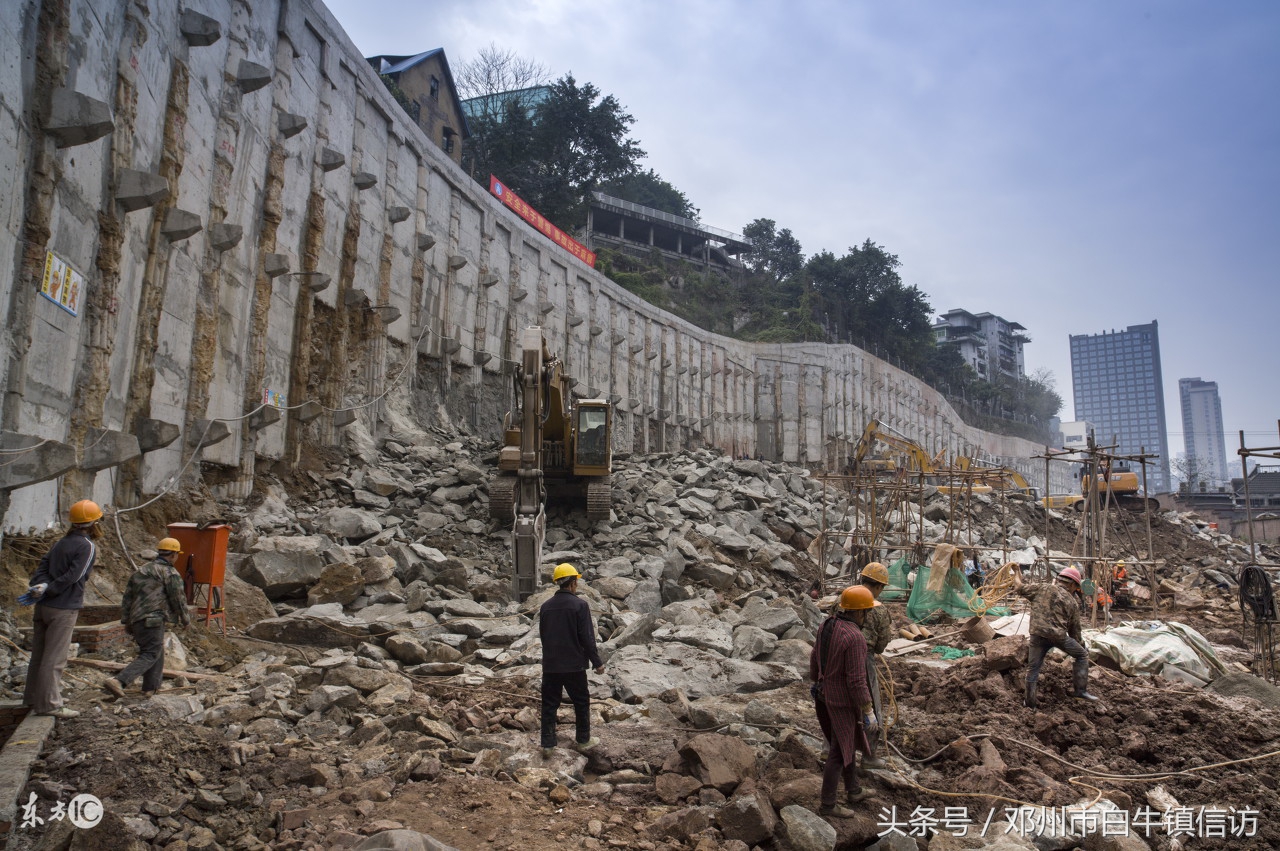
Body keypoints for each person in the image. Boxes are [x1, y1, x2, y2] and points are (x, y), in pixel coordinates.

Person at [19, 499, 103, 719]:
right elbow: (74, 576)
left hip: (43, 607)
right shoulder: (87, 546)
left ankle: (31, 698)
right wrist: (52, 589)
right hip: (63, 608)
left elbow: (43, 567)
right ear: (93, 522)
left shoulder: (60, 542)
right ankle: (49, 704)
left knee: (38, 655)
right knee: (54, 658)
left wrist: (42, 585)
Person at [809, 585, 879, 819]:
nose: (867, 617)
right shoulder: (855, 638)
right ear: (859, 613)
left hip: (822, 695)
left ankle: (854, 790)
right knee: (838, 752)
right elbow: (857, 681)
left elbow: (814, 658)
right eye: (866, 612)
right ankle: (828, 804)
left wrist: (817, 680)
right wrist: (868, 710)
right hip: (840, 703)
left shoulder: (826, 625)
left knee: (846, 744)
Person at [102, 537, 191, 700]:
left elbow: (128, 597)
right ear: (173, 555)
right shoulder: (169, 573)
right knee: (151, 653)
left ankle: (151, 687)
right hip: (154, 619)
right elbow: (178, 598)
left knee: (156, 650)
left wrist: (127, 620)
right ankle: (119, 680)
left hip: (138, 619)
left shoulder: (141, 571)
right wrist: (185, 619)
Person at [539, 563, 604, 757]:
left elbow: (544, 636)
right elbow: (587, 637)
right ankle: (583, 740)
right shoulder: (580, 605)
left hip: (551, 665)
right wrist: (597, 662)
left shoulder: (545, 606)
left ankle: (548, 745)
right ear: (573, 583)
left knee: (549, 704)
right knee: (581, 702)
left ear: (558, 583)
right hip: (574, 665)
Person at [1011, 564, 1098, 708]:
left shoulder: (1042, 588)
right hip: (1058, 637)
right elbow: (1075, 632)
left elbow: (1019, 587)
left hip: (1037, 634)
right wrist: (1082, 648)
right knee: (1082, 655)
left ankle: (1029, 703)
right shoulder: (1071, 602)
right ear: (1072, 585)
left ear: (1059, 579)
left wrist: (1016, 572)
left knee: (1033, 669)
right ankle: (1080, 691)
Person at [858, 562, 893, 769]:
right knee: (871, 705)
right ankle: (869, 756)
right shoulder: (879, 610)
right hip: (864, 658)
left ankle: (829, 750)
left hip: (836, 654)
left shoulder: (840, 600)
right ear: (879, 587)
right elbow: (881, 644)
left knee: (836, 702)